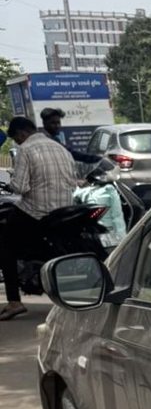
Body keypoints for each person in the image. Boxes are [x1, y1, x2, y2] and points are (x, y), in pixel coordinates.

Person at [1, 115, 79, 322]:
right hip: (64, 210)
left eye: (17, 139)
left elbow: (20, 187)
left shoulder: (26, 150)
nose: (18, 142)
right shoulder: (60, 148)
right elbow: (73, 181)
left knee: (5, 247)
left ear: (22, 133)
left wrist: (10, 183)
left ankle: (14, 302)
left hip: (36, 210)